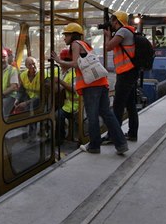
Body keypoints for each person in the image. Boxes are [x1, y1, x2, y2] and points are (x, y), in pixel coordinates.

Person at [50, 23, 128, 155]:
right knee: (107, 114)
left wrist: (59, 61)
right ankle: (121, 144)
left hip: (91, 87)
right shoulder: (85, 44)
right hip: (101, 83)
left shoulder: (75, 44)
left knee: (92, 116)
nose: (64, 38)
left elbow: (75, 64)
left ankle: (94, 146)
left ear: (72, 35)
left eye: (66, 35)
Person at [103, 10, 138, 142]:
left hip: (126, 73)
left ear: (117, 21)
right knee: (130, 104)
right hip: (130, 72)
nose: (110, 23)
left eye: (112, 21)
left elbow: (108, 47)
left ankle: (114, 136)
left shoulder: (122, 32)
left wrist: (107, 35)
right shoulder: (128, 31)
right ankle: (133, 133)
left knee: (117, 105)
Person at [56, 48, 79, 144]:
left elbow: (74, 89)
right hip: (64, 102)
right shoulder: (61, 72)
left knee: (58, 115)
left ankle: (60, 138)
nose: (60, 63)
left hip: (74, 104)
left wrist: (60, 81)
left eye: (62, 61)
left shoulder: (74, 73)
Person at [1, 49, 19, 119]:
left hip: (9, 96)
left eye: (4, 57)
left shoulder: (12, 70)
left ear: (7, 58)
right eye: (0, 58)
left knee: (1, 112)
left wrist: (0, 95)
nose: (2, 60)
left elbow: (14, 87)